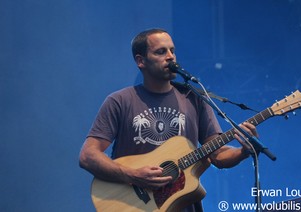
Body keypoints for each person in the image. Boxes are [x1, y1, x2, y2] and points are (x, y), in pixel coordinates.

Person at [79, 28, 258, 212]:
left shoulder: (195, 98)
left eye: (172, 50)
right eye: (161, 51)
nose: (170, 56)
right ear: (141, 61)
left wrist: (243, 151)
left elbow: (217, 154)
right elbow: (88, 156)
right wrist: (132, 175)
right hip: (132, 205)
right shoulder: (120, 101)